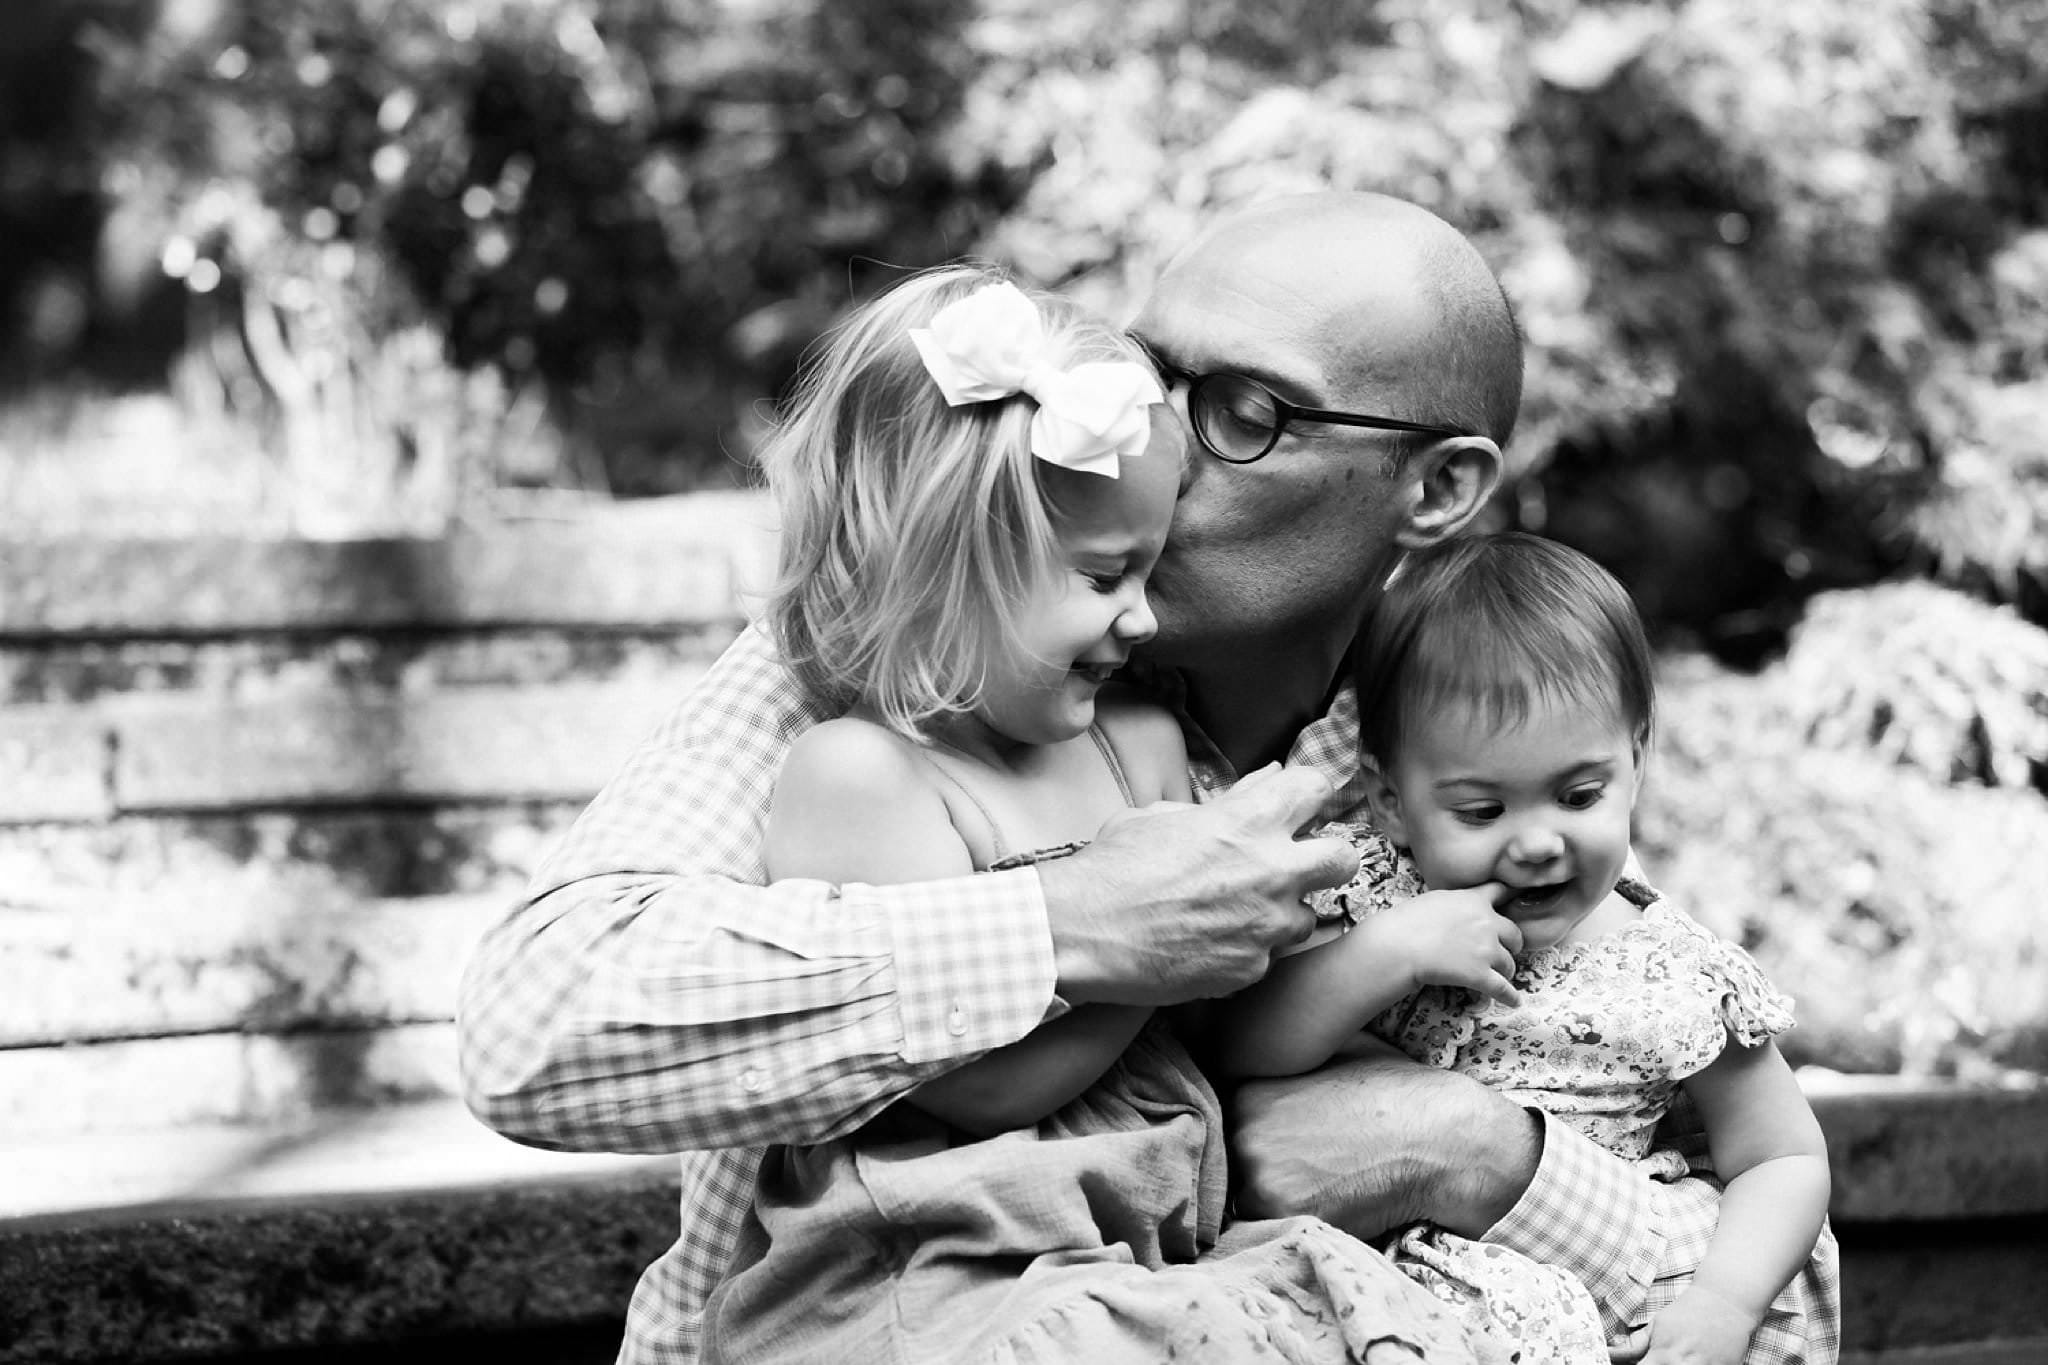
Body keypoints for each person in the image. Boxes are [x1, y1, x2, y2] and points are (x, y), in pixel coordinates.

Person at [457, 190, 1839, 1364]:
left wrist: (1484, 1151)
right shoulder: (924, 642)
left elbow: (1794, 1302)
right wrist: (1071, 929)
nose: (1151, 440)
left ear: (1435, 489)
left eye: (1239, 407)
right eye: (1147, 374)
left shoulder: (1474, 743)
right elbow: (534, 1027)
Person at [696, 264, 1549, 1362]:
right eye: (1104, 578)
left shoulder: (1133, 740)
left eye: (1146, 570)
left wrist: (1371, 947)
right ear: (950, 560)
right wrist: (1149, 949)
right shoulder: (861, 775)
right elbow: (975, 1085)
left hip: (1130, 1252)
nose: (1143, 617)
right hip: (937, 1271)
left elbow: (1231, 1006)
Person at [1214, 532, 1837, 1365]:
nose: (1538, 842)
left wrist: (1724, 1298)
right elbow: (1243, 1046)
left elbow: (1785, 1156)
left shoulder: (1675, 973)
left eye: (1579, 794)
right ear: (1390, 800)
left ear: (1636, 760)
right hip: (1345, 1294)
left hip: (1550, 1314)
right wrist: (1386, 953)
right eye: (1482, 810)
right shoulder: (1371, 897)